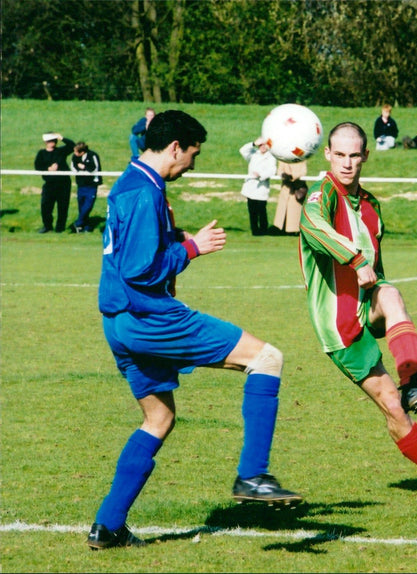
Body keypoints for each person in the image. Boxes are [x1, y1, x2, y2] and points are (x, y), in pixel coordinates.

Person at [88, 110, 301, 551]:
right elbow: (138, 270)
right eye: (192, 155)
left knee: (159, 417)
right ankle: (253, 474)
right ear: (173, 148)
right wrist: (191, 248)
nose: (192, 164)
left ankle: (107, 526)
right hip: (151, 318)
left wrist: (174, 236)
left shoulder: (131, 181)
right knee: (267, 358)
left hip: (119, 323)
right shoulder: (146, 193)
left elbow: (132, 248)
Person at [299, 122, 417, 507]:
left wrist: (370, 275)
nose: (348, 163)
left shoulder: (371, 205)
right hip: (340, 324)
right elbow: (311, 225)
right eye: (340, 155)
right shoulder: (321, 196)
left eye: (355, 155)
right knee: (392, 408)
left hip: (367, 304)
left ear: (365, 156)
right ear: (328, 155)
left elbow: (377, 269)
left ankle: (413, 381)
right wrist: (354, 260)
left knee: (391, 293)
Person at [34, 132, 75, 233]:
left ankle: (60, 228)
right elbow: (37, 166)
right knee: (46, 206)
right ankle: (47, 226)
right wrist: (48, 169)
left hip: (63, 184)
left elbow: (72, 146)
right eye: (50, 141)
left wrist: (61, 137)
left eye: (54, 140)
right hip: (50, 184)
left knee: (63, 207)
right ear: (45, 142)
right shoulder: (41, 153)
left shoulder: (61, 151)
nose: (52, 143)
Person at [239, 137, 277, 236]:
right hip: (250, 187)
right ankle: (255, 231)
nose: (262, 147)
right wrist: (253, 143)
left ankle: (264, 230)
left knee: (261, 210)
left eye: (264, 145)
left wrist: (260, 174)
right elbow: (242, 150)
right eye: (260, 145)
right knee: (252, 210)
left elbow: (272, 171)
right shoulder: (253, 154)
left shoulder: (271, 157)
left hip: (261, 187)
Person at [70, 141, 103, 233]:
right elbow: (73, 167)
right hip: (81, 185)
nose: (75, 154)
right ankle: (85, 227)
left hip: (91, 185)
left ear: (82, 152)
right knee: (81, 206)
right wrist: (79, 168)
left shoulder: (93, 155)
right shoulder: (75, 157)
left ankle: (77, 223)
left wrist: (84, 167)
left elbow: (95, 168)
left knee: (88, 206)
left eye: (76, 152)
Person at [271, 160, 308, 235]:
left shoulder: (301, 158)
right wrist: (283, 174)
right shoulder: (284, 158)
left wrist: (292, 176)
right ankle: (281, 228)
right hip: (286, 188)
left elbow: (303, 171)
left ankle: (295, 229)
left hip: (297, 188)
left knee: (295, 211)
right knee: (283, 210)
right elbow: (280, 170)